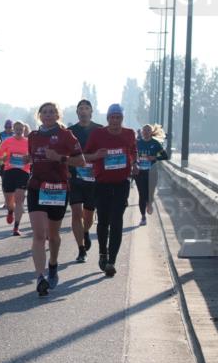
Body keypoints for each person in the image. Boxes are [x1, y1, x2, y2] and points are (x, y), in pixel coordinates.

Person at [26, 102, 85, 296]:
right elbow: (31, 158)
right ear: (39, 115)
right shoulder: (33, 136)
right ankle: (40, 277)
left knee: (53, 236)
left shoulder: (65, 135)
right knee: (39, 235)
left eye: (52, 112)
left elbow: (81, 161)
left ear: (57, 115)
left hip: (58, 189)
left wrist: (60, 158)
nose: (48, 115)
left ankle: (53, 264)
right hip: (36, 187)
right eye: (44, 112)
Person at [84, 104, 138, 278]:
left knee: (117, 222)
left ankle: (111, 261)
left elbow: (133, 152)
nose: (115, 121)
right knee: (103, 222)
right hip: (102, 184)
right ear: (107, 119)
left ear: (122, 119)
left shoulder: (129, 134)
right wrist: (97, 156)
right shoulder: (98, 134)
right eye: (112, 117)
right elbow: (85, 156)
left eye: (118, 117)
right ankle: (102, 253)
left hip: (121, 184)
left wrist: (134, 164)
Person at [66, 99, 102, 262]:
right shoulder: (69, 132)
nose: (83, 111)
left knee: (88, 216)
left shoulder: (100, 130)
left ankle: (85, 231)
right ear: (77, 112)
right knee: (76, 213)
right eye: (80, 108)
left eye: (87, 108)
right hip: (74, 178)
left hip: (93, 180)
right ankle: (81, 250)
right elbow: (64, 154)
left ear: (91, 112)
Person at [0, 121, 30, 237]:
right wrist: (3, 158)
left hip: (23, 172)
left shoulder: (29, 143)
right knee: (9, 201)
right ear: (13, 130)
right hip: (9, 172)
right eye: (17, 129)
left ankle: (16, 227)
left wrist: (29, 160)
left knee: (19, 200)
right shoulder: (8, 141)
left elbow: (34, 157)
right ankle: (10, 211)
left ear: (24, 130)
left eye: (21, 129)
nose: (19, 131)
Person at [135, 123, 168, 224]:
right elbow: (131, 154)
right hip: (140, 172)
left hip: (152, 171)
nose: (146, 132)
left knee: (150, 193)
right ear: (142, 132)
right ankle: (143, 216)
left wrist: (155, 158)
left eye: (148, 130)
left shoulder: (156, 143)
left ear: (151, 132)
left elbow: (165, 156)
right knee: (142, 194)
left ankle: (149, 202)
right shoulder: (137, 143)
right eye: (144, 130)